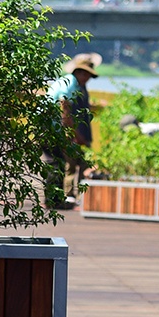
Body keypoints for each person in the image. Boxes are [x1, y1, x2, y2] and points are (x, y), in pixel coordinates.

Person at [48, 52, 101, 207]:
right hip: (59, 130)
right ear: (79, 72)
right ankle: (61, 198)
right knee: (64, 165)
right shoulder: (70, 83)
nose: (88, 78)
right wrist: (74, 135)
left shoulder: (79, 87)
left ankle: (66, 197)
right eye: (86, 74)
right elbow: (65, 108)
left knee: (70, 163)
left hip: (68, 131)